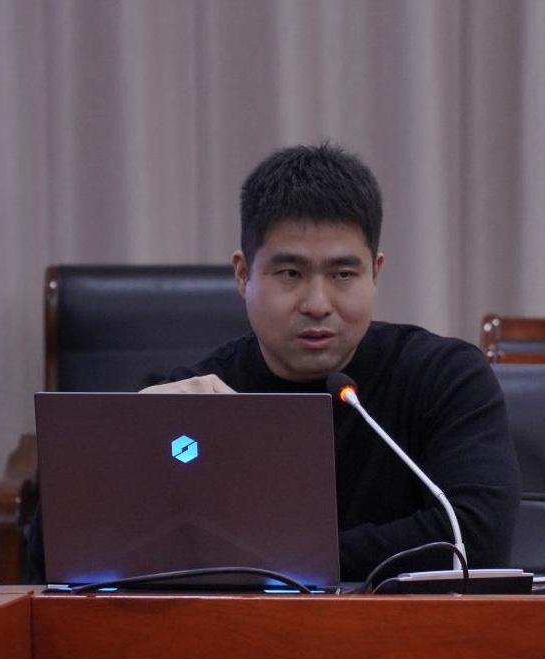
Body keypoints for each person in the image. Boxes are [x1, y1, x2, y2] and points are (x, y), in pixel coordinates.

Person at [141, 142, 521, 581]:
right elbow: (103, 549)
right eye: (291, 274)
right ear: (243, 275)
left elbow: (475, 538)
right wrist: (137, 436)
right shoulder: (195, 398)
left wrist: (261, 556)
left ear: (375, 272)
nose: (317, 304)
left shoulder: (444, 377)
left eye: (343, 274)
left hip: (403, 625)